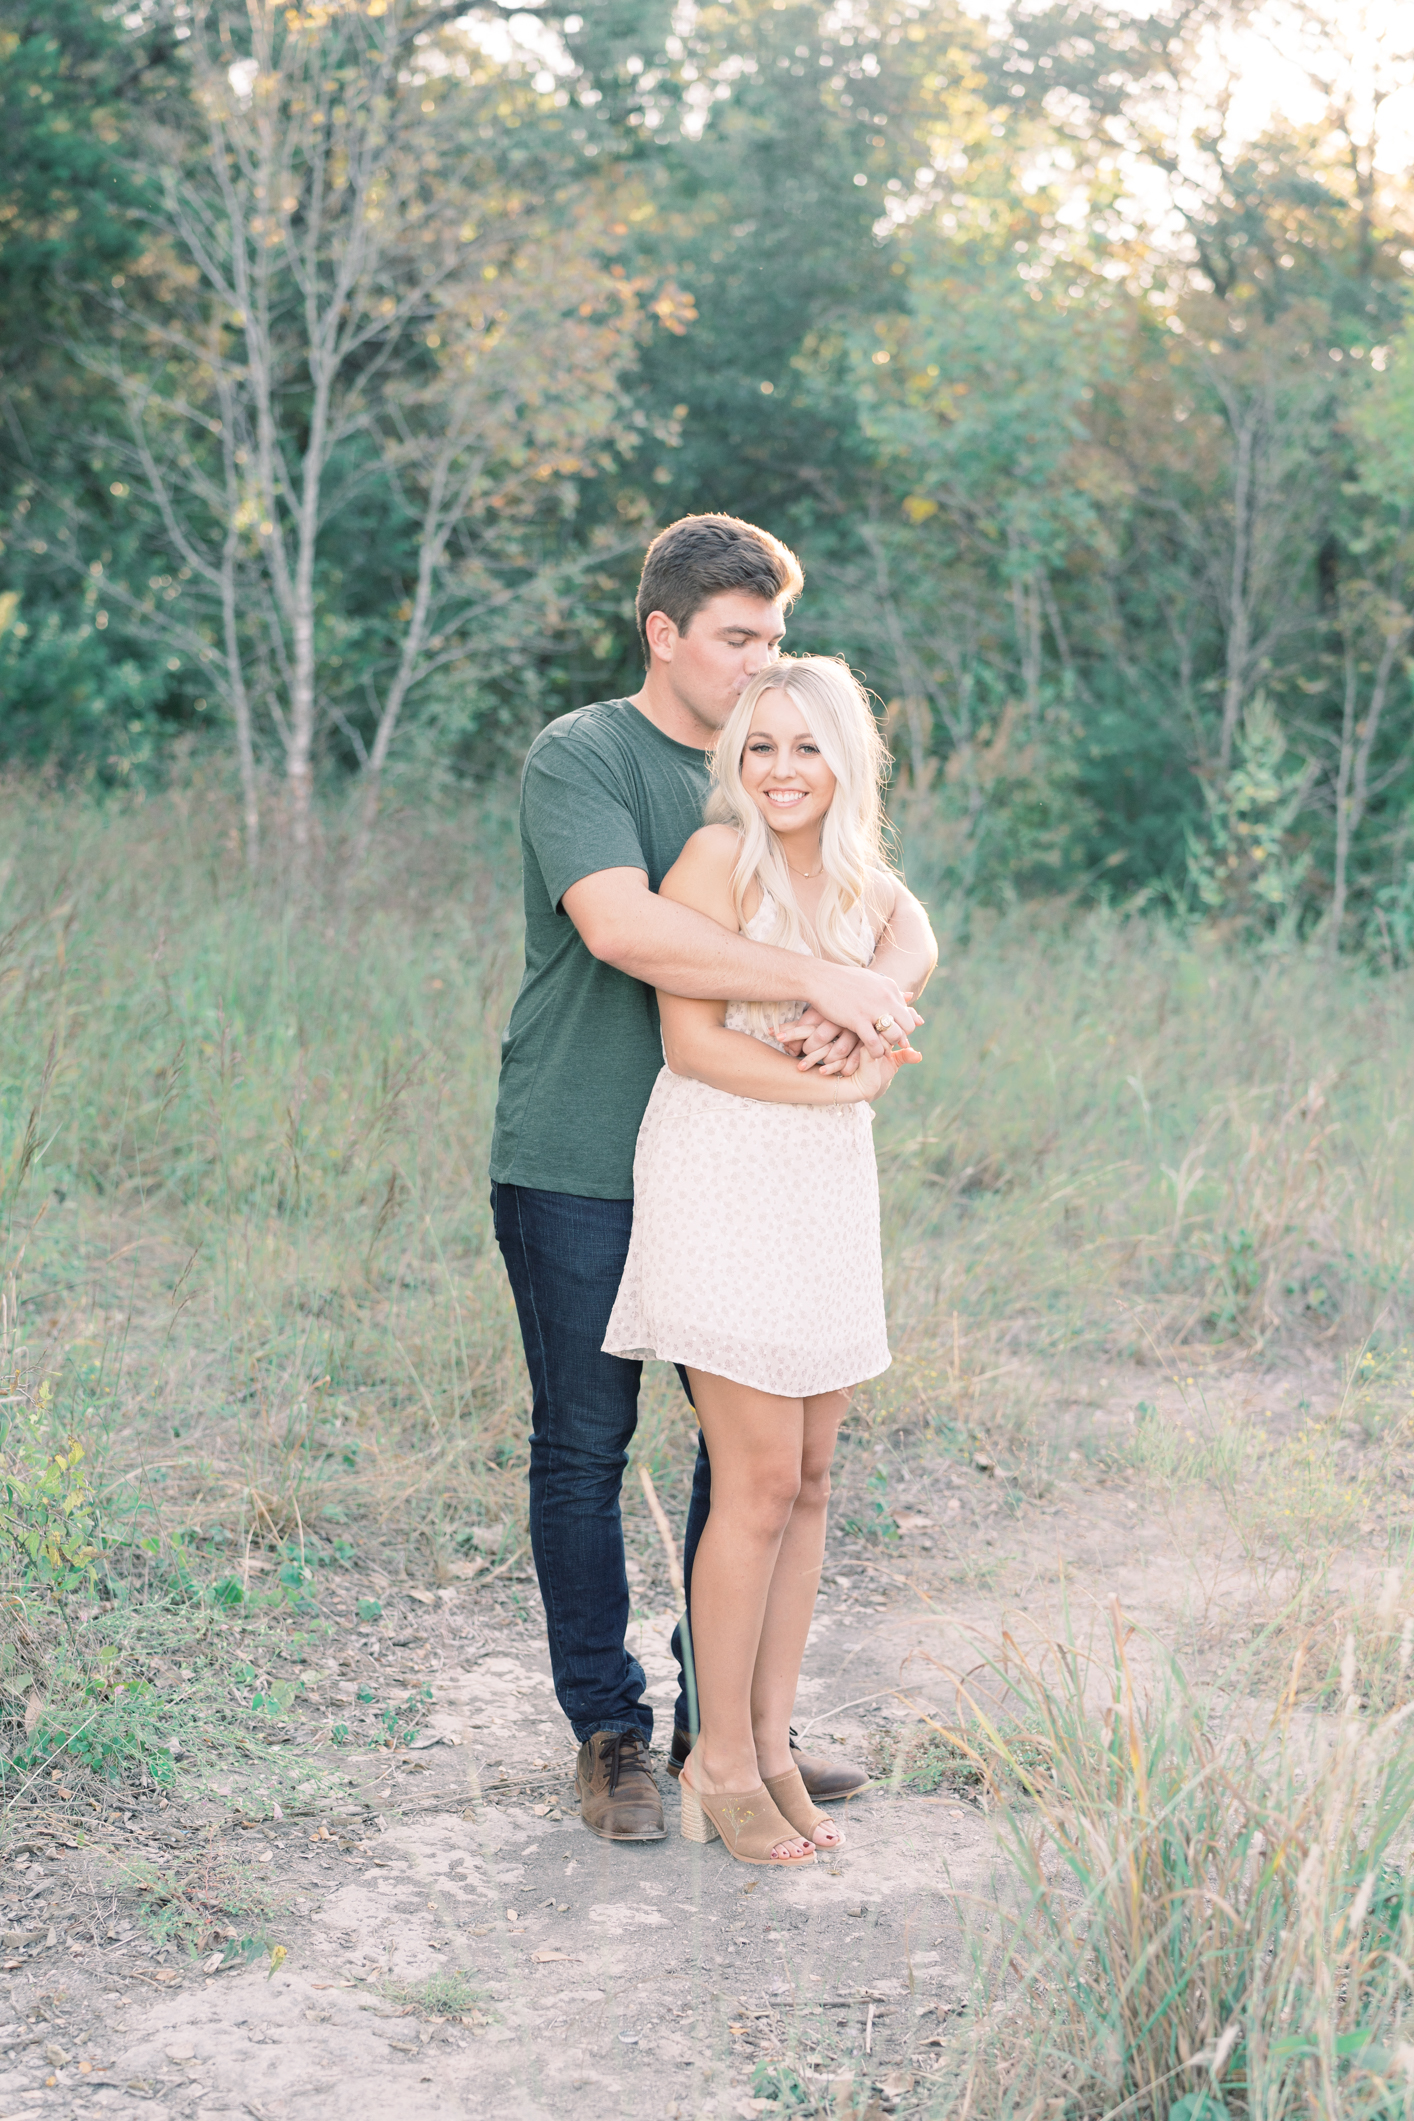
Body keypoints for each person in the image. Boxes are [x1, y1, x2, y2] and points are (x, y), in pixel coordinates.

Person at [490, 514, 936, 1843]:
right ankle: (613, 1737)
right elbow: (627, 931)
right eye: (736, 641)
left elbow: (889, 906)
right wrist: (824, 993)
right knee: (584, 1448)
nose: (760, 667)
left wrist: (878, 993)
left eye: (775, 642)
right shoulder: (586, 755)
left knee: (752, 1469)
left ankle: (727, 1729)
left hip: (745, 1171)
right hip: (582, 1150)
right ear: (664, 634)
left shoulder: (772, 772)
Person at [603, 656, 931, 1864]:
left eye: (804, 748)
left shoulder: (861, 884)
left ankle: (773, 1739)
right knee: (749, 1483)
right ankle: (718, 1762)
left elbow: (916, 938)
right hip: (722, 1174)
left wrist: (869, 1003)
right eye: (759, 747)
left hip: (825, 1190)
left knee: (810, 1480)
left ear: (849, 759)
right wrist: (832, 1061)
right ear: (733, 763)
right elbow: (688, 1047)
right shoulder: (714, 863)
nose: (781, 771)